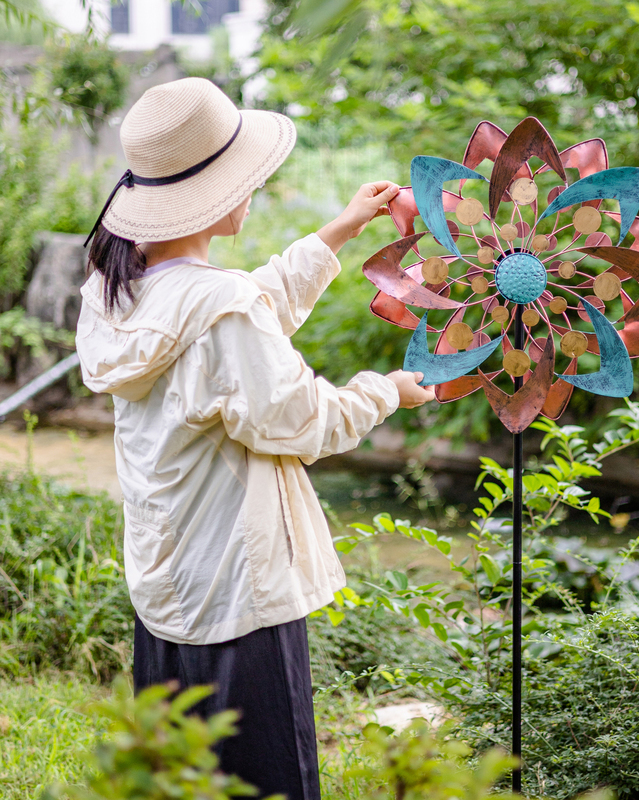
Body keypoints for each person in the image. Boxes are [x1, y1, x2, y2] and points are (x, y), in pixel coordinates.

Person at [75, 77, 435, 800]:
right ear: (210, 192)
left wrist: (338, 231)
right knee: (272, 783)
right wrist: (386, 391)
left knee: (179, 779)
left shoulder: (117, 290)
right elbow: (305, 420)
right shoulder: (218, 307)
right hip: (240, 590)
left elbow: (239, 317)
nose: (255, 188)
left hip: (168, 585)